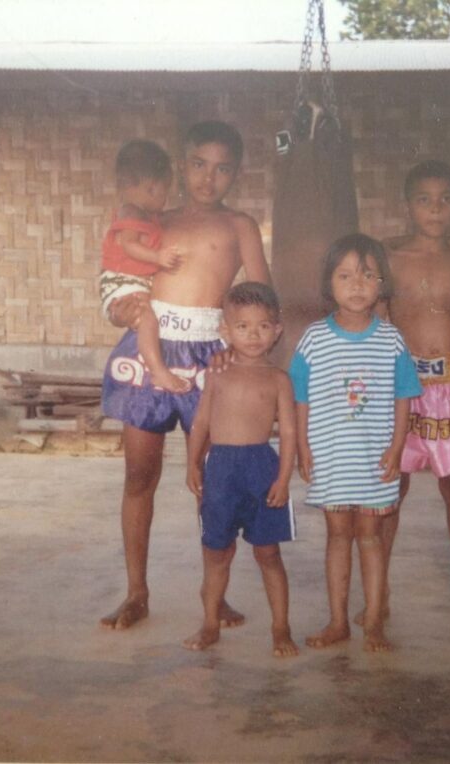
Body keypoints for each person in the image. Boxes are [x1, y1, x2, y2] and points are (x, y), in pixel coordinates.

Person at [100, 121, 272, 631]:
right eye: (198, 164)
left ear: (236, 173)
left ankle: (213, 594)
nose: (208, 178)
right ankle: (136, 592)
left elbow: (261, 297)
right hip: (151, 349)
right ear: (182, 165)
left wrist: (241, 349)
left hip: (210, 359)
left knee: (215, 483)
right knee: (139, 474)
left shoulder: (240, 225)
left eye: (221, 168)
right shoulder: (155, 221)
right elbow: (118, 275)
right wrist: (118, 311)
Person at [290, 233, 422, 652]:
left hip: (375, 461)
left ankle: (375, 623)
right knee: (336, 538)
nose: (357, 284)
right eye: (345, 275)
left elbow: (404, 398)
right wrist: (303, 450)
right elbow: (301, 399)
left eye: (367, 275)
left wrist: (397, 448)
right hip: (331, 460)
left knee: (371, 539)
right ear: (329, 284)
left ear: (382, 283)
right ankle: (337, 623)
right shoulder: (314, 339)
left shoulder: (392, 340)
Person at [381, 160, 450, 626]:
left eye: (446, 199)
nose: (436, 209)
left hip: (449, 383)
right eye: (424, 200)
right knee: (390, 488)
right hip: (401, 385)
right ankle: (376, 593)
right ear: (407, 206)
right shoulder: (386, 257)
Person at [184, 282, 299, 657]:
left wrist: (284, 478)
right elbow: (201, 424)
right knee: (217, 551)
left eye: (263, 326)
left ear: (277, 331)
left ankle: (281, 629)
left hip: (261, 468)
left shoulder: (279, 380)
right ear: (225, 331)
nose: (253, 335)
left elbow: (291, 432)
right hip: (220, 470)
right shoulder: (216, 374)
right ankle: (209, 623)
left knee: (269, 554)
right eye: (243, 326)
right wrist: (192, 463)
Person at [99, 139, 189, 393]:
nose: (165, 198)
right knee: (148, 320)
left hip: (128, 282)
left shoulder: (145, 215)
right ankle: (158, 372)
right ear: (151, 189)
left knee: (149, 319)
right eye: (164, 191)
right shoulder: (131, 213)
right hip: (121, 283)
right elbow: (129, 245)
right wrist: (157, 257)